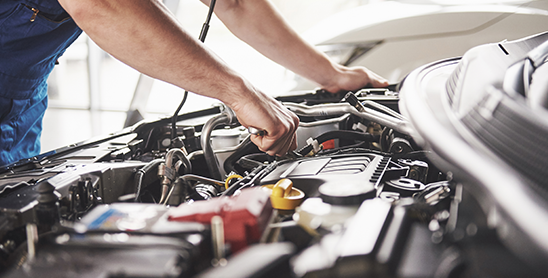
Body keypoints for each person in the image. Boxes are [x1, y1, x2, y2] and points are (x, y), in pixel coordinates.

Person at [0, 0, 387, 167]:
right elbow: (101, 5)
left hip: (20, 100)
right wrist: (239, 92)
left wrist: (331, 75)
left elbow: (234, 4)